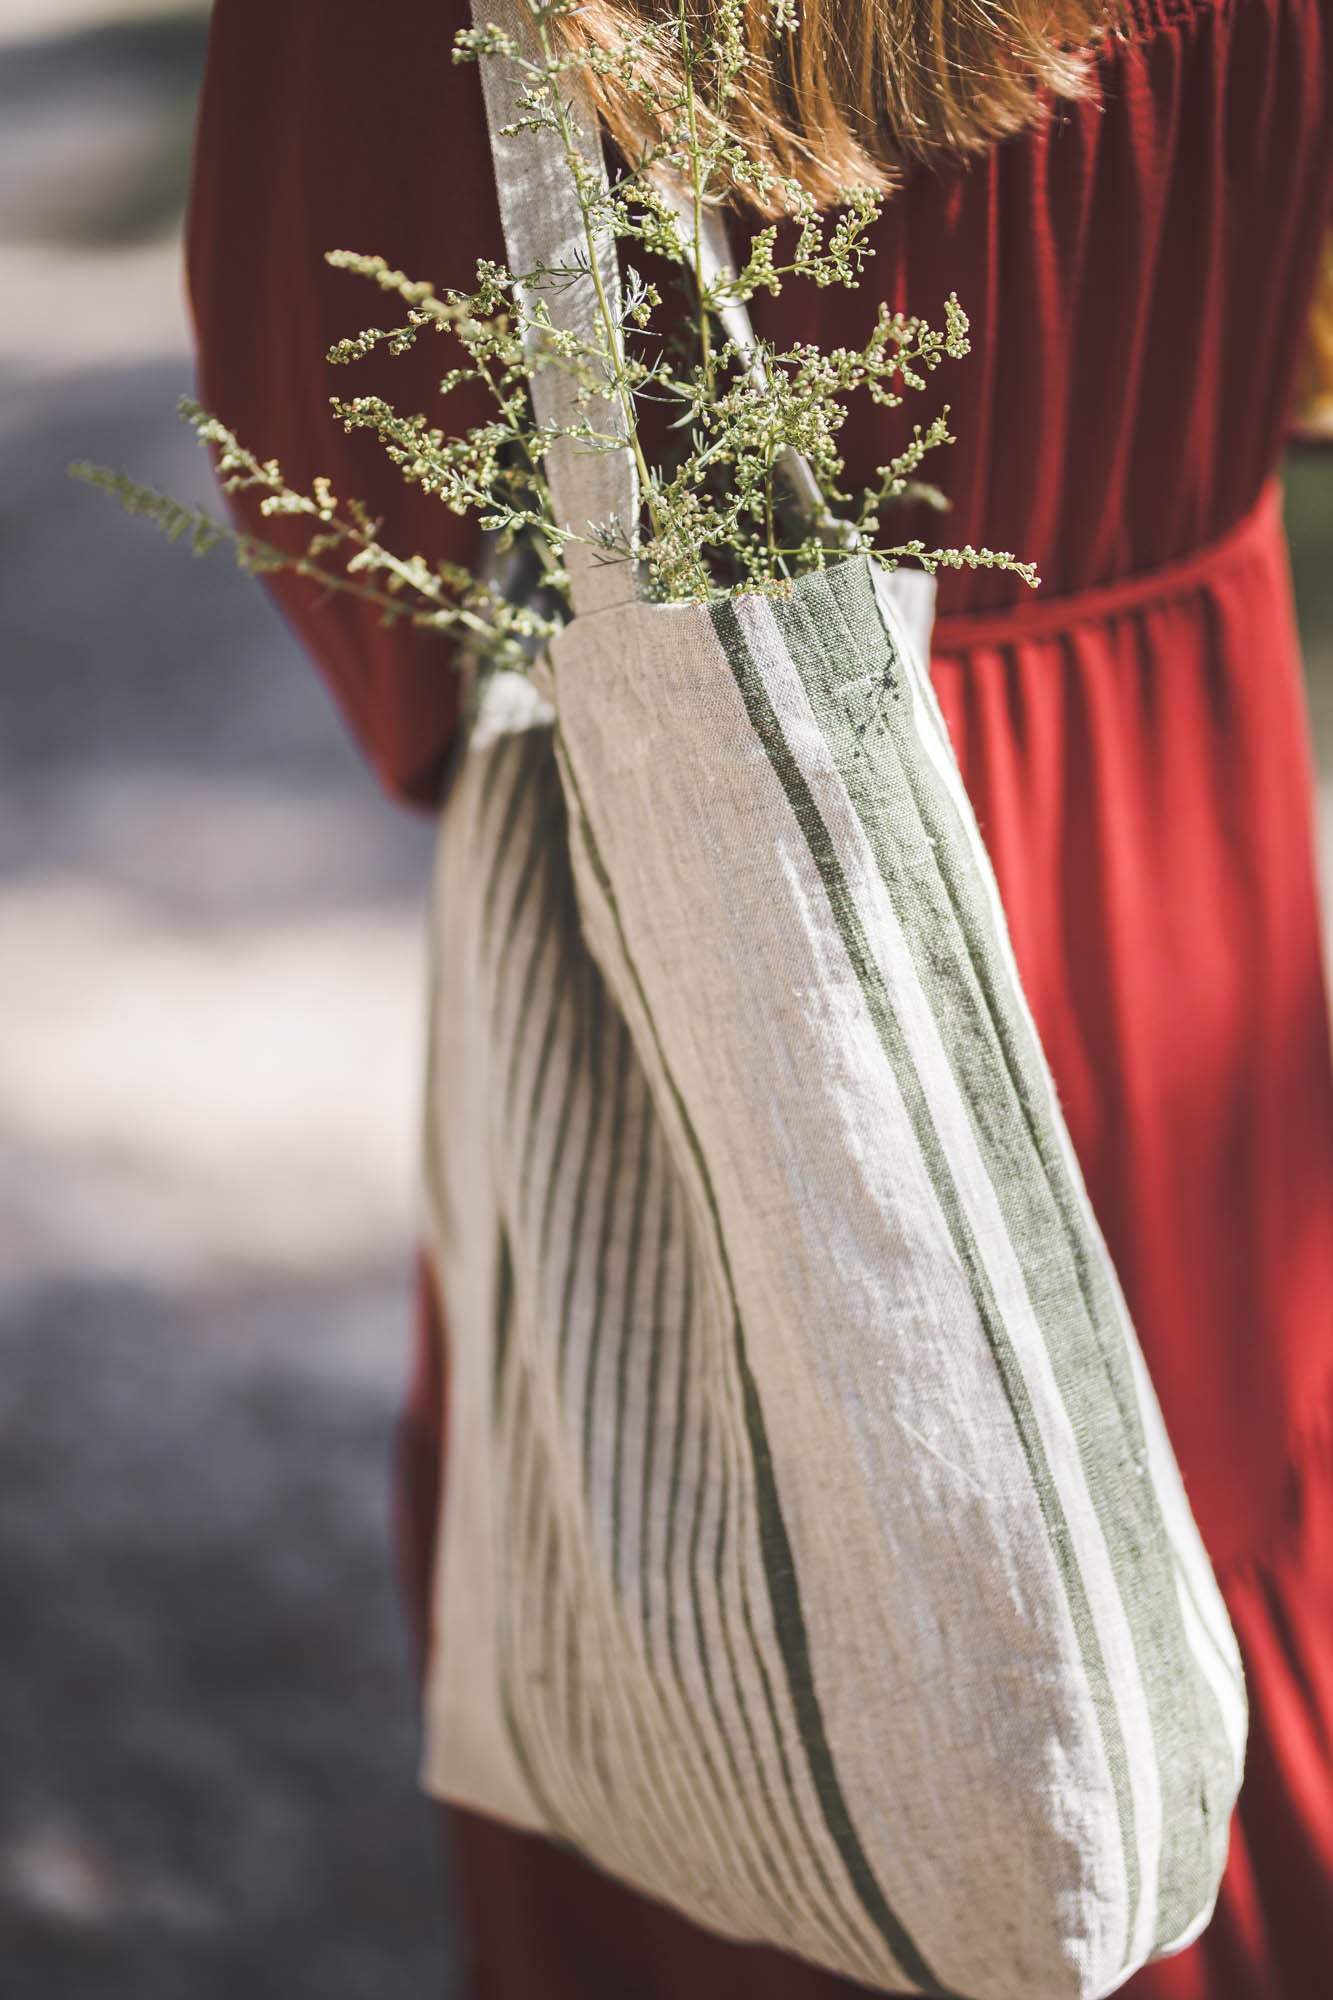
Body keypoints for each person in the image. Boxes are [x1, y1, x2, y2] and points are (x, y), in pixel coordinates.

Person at [186, 1, 1333, 1992]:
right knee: (1185, 1572)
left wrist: (544, 757)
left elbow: (329, 449)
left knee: (735, 1568)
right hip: (1171, 818)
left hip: (723, 863)